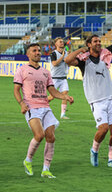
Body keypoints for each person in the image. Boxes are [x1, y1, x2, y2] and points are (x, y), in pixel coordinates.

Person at [64, 15, 112, 169]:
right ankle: (94, 150)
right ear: (89, 45)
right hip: (96, 100)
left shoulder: (105, 54)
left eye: (99, 41)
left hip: (110, 97)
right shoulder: (84, 60)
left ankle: (111, 159)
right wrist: (80, 50)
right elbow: (67, 60)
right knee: (103, 129)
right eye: (95, 41)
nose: (99, 43)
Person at [14, 43, 74, 178]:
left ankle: (46, 169)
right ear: (28, 54)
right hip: (31, 107)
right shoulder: (22, 70)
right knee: (39, 135)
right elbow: (16, 90)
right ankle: (28, 160)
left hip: (46, 107)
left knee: (51, 137)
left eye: (39, 50)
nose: (38, 53)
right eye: (34, 51)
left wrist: (65, 96)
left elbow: (52, 91)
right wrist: (22, 103)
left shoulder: (46, 72)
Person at [48, 37, 70, 119]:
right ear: (56, 44)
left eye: (62, 41)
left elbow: (68, 63)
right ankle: (40, 107)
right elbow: (54, 64)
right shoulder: (53, 54)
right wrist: (63, 57)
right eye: (60, 42)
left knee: (65, 95)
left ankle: (63, 114)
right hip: (55, 78)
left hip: (63, 78)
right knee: (52, 96)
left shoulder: (67, 53)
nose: (62, 43)